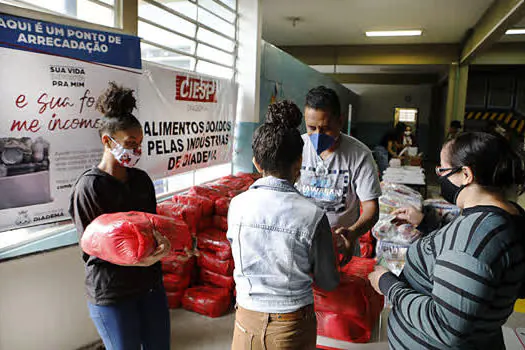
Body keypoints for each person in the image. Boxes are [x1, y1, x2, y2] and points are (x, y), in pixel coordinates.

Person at [368, 132, 525, 350]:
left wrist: (388, 284)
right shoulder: (506, 217)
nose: (440, 177)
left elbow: (446, 327)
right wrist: (425, 223)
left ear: (466, 174)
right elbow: (465, 254)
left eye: (442, 170)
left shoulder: (477, 235)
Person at [228, 100, 344, 350]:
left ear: (257, 163)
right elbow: (328, 282)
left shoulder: (236, 205)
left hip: (245, 321)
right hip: (291, 326)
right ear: (298, 163)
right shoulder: (312, 215)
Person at [69, 82, 171, 350]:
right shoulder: (89, 187)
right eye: (130, 143)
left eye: (140, 144)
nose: (137, 150)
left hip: (150, 286)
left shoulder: (141, 180)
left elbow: (151, 225)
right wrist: (137, 260)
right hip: (113, 293)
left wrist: (164, 244)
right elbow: (91, 248)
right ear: (107, 141)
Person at [296, 86, 381, 257]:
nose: (318, 135)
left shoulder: (359, 155)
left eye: (326, 128)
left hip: (340, 248)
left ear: (340, 121)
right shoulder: (296, 147)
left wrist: (352, 233)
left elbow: (371, 208)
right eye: (311, 128)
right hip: (300, 246)